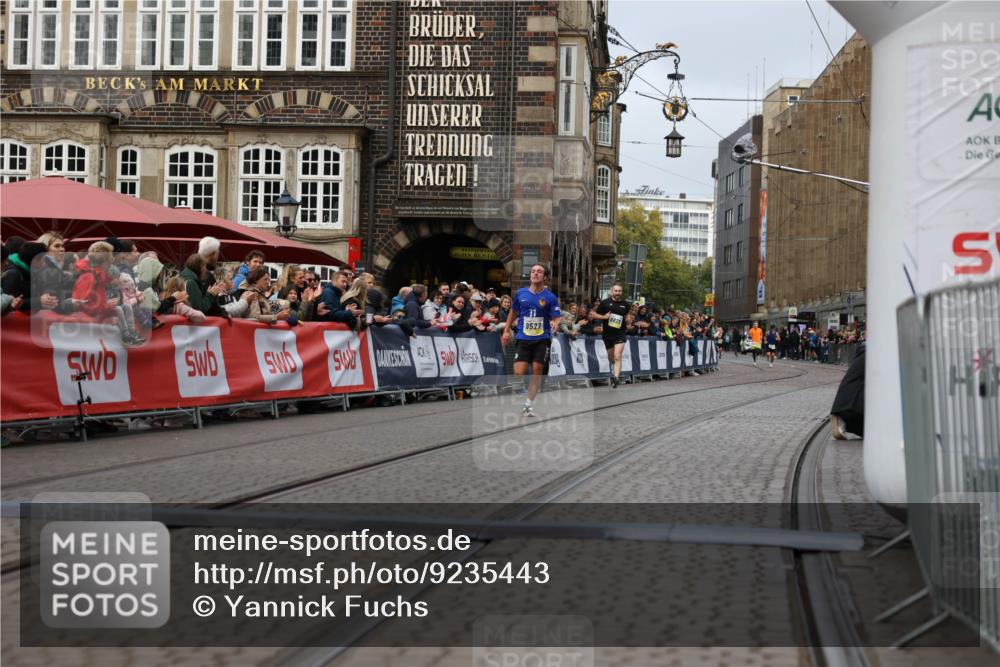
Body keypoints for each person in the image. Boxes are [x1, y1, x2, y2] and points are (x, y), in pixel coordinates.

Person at [501, 264, 561, 417]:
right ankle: (532, 387)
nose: (535, 274)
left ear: (545, 276)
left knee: (536, 370)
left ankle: (528, 404)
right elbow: (513, 312)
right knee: (519, 372)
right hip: (523, 337)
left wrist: (555, 322)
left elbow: (556, 316)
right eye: (533, 271)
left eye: (539, 272)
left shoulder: (550, 297)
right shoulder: (521, 293)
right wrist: (506, 330)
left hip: (542, 338)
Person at [72, 241, 145, 345]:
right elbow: (84, 303)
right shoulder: (89, 277)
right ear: (104, 260)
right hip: (94, 316)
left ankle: (132, 333)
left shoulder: (100, 276)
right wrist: (106, 305)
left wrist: (106, 304)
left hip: (102, 310)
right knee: (119, 308)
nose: (113, 259)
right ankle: (126, 336)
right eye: (110, 257)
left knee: (126, 307)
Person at [592, 282, 630, 387]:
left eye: (619, 291)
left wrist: (628, 319)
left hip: (620, 333)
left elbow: (627, 316)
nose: (618, 293)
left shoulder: (625, 304)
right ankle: (614, 368)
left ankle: (616, 378)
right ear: (612, 292)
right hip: (608, 334)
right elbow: (594, 315)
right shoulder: (605, 303)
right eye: (616, 291)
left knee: (618, 356)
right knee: (611, 358)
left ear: (621, 292)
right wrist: (604, 317)